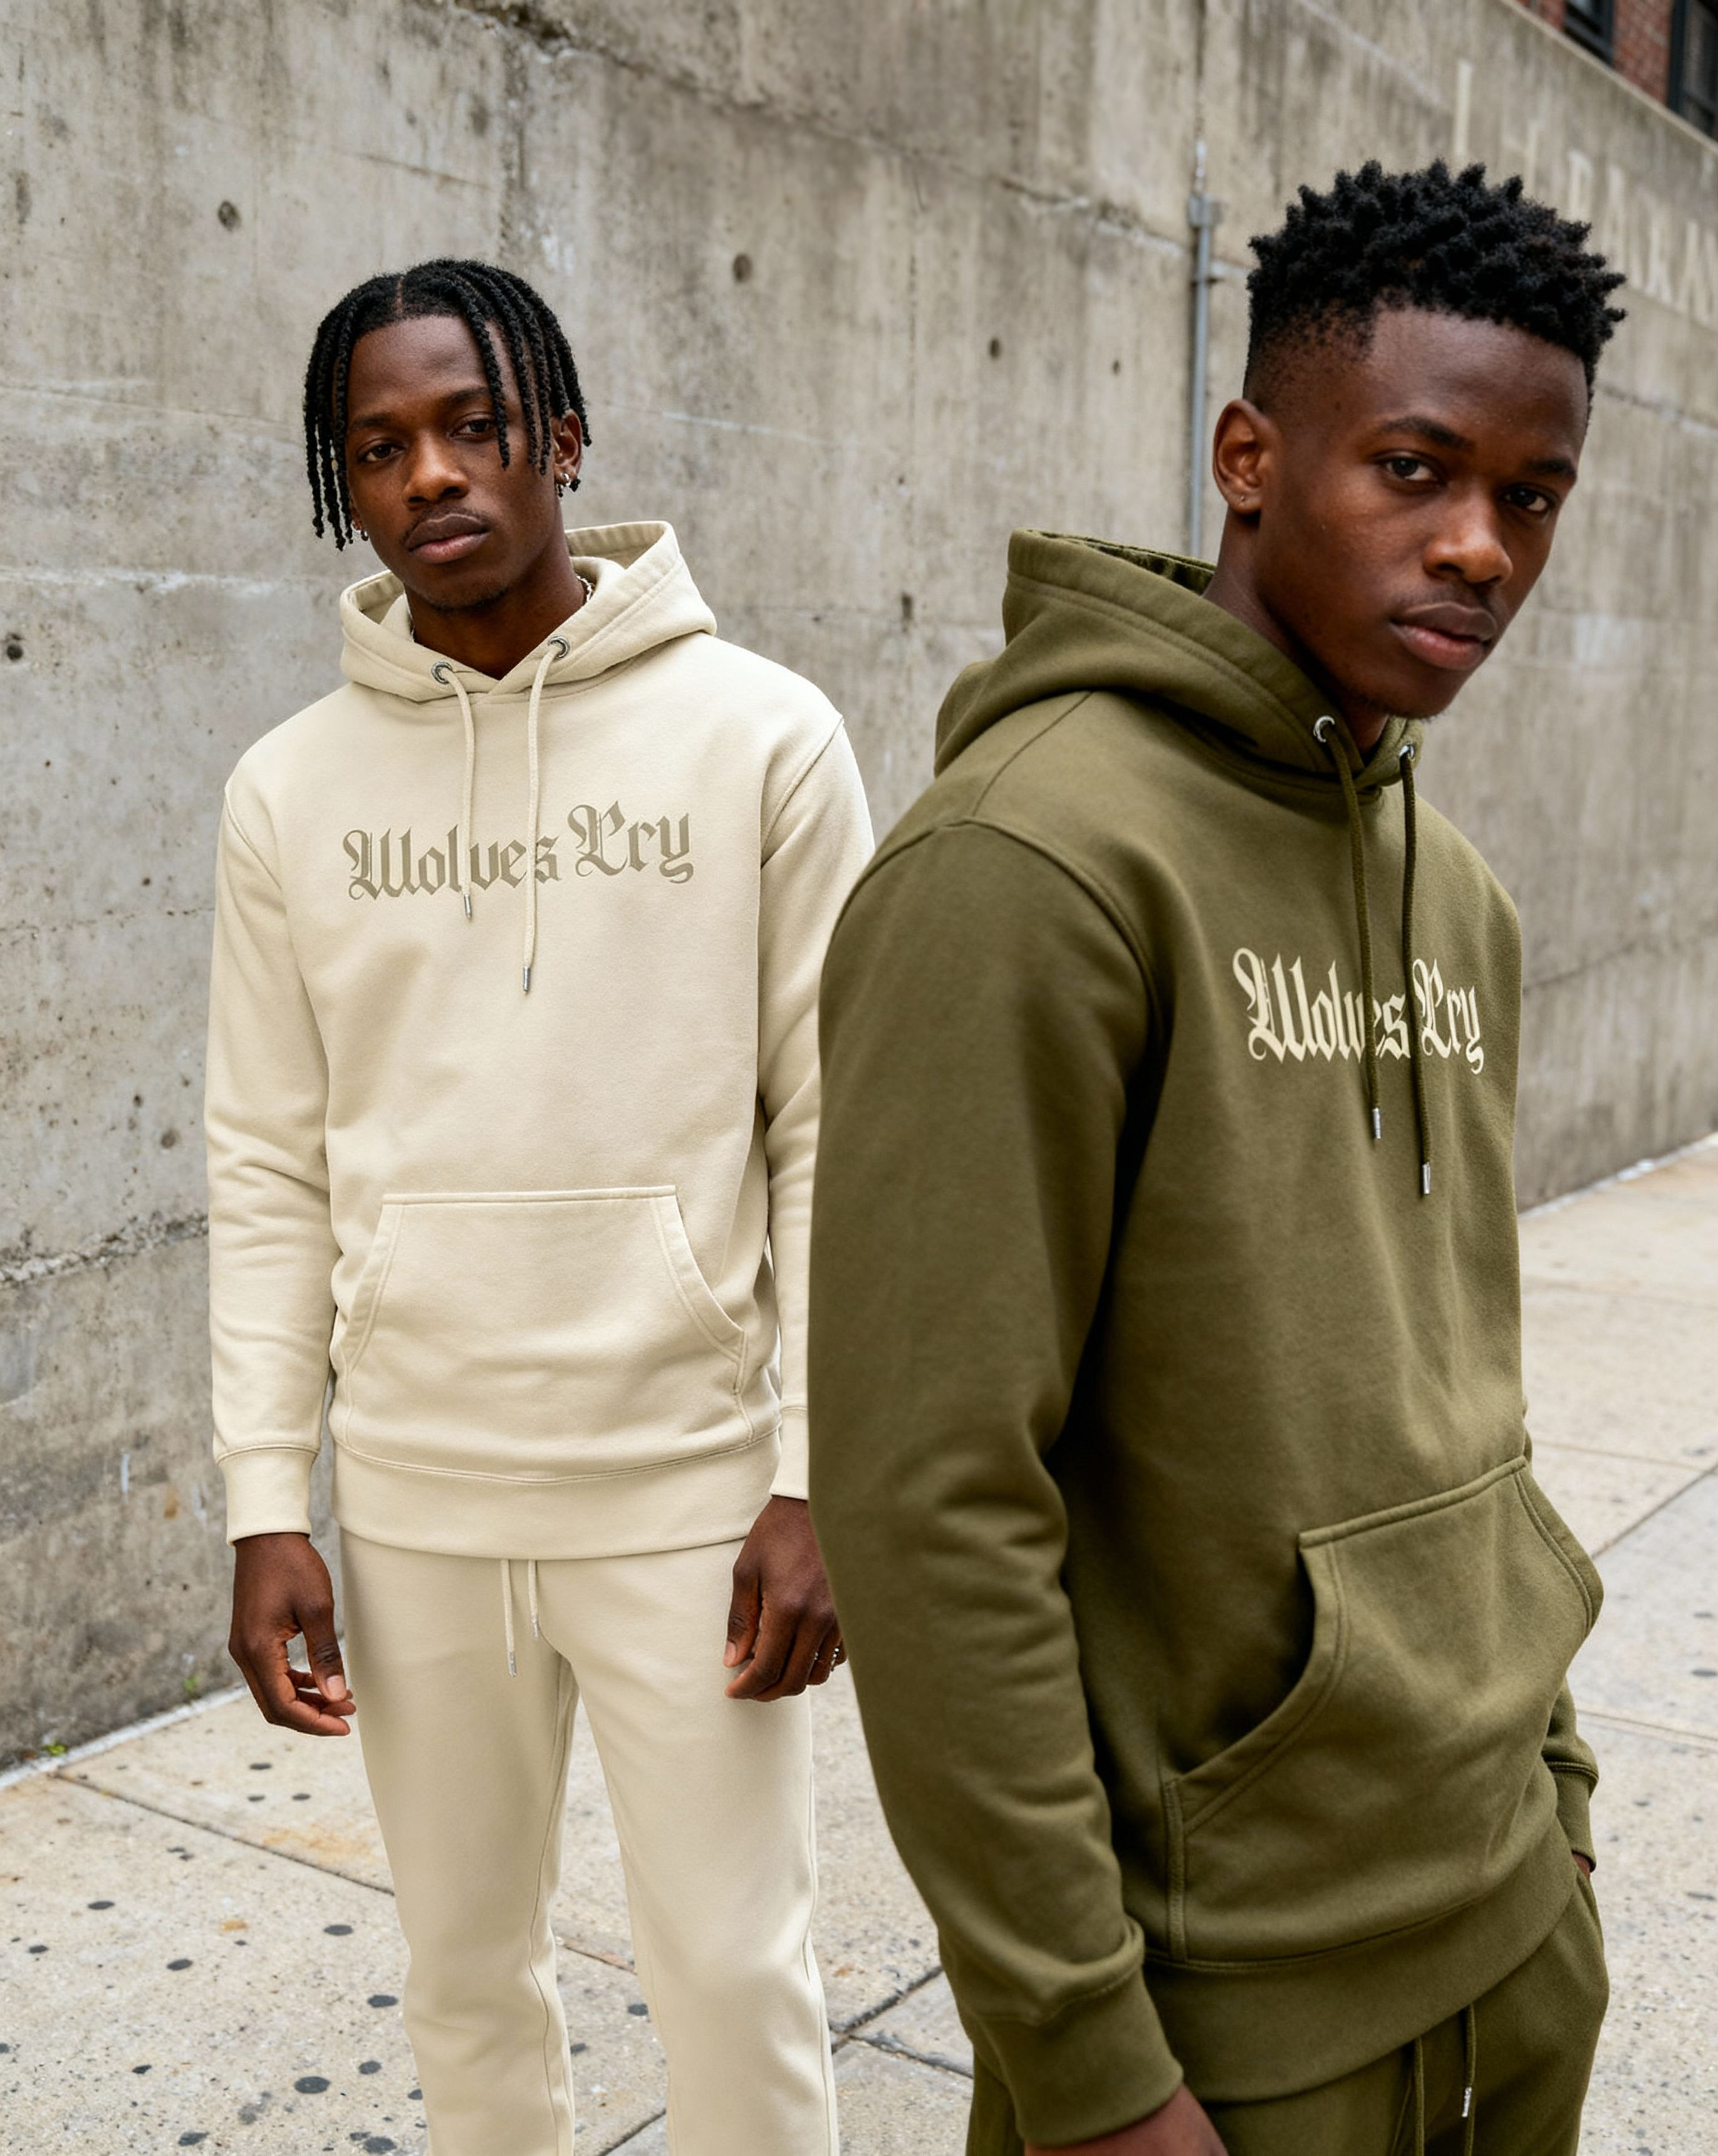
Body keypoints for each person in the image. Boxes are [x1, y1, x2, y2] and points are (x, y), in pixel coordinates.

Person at [808, 163, 1623, 2156]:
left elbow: (1465, 1387)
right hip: (1221, 2012)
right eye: (1415, 470)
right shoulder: (1028, 870)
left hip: (1504, 1929)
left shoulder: (1461, 896)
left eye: (1527, 497)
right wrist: (1086, 2071)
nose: (1477, 550)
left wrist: (1555, 1800)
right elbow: (930, 1509)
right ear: (1248, 457)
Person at [207, 258, 872, 2156]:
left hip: (688, 1492)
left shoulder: (763, 735)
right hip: (417, 1500)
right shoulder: (288, 791)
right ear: (345, 488)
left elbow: (837, 1127)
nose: (431, 476)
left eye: (472, 426)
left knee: (739, 1977)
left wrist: (818, 1472)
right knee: (464, 1977)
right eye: (381, 447)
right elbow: (264, 1158)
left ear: (560, 438)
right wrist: (272, 1499)